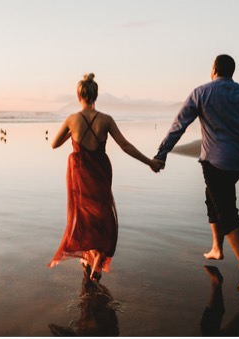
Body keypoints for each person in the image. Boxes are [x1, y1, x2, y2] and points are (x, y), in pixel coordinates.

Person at [153, 54, 239, 291]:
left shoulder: (201, 93)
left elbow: (179, 124)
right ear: (231, 72)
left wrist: (162, 152)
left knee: (226, 209)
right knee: (212, 197)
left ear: (214, 70)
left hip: (215, 162)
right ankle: (217, 247)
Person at [48, 73, 160, 281]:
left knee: (85, 215)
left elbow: (54, 144)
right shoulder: (106, 120)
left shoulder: (72, 119)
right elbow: (125, 146)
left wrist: (72, 134)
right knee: (102, 213)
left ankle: (89, 256)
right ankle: (97, 257)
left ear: (79, 95)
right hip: (100, 171)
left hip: (80, 173)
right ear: (95, 95)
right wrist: (150, 162)